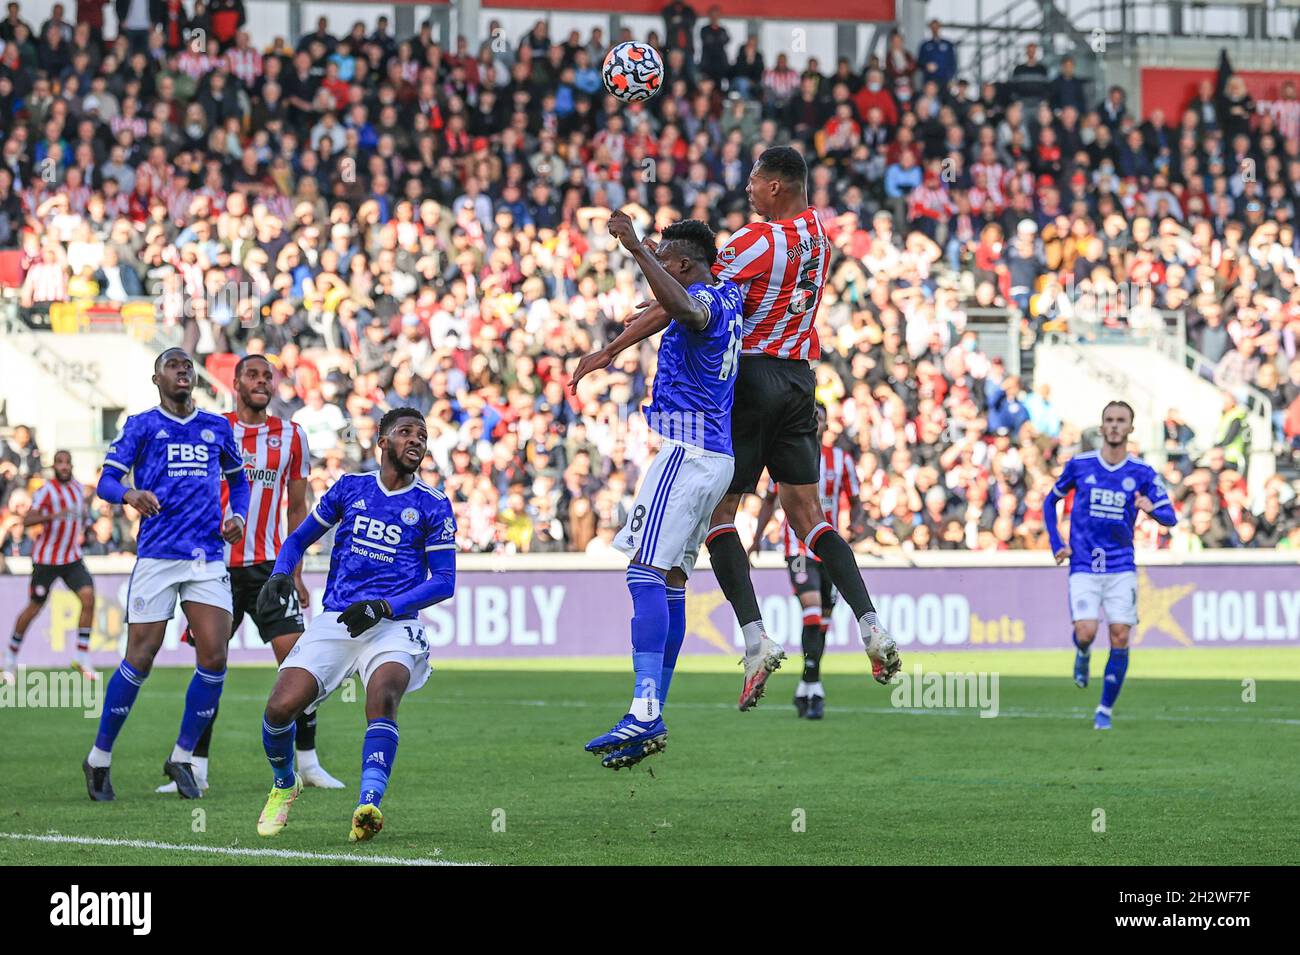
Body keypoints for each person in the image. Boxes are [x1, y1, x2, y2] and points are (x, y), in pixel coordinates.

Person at [573, 146, 901, 713]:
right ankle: (871, 626)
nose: (748, 189)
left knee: (722, 515)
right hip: (800, 381)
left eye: (754, 180)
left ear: (776, 185)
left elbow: (691, 298)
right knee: (809, 519)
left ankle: (754, 637)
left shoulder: (757, 239)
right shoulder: (820, 237)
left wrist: (614, 344)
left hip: (749, 379)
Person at [581, 211, 743, 771]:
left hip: (685, 451)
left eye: (663, 259)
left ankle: (645, 710)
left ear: (680, 264)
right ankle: (653, 712)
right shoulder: (726, 296)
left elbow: (676, 306)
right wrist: (611, 350)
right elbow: (664, 307)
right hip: (716, 459)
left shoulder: (696, 301)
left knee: (641, 573)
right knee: (672, 579)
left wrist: (633, 248)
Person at [252, 407, 456, 842]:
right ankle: (285, 785)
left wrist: (384, 607)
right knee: (278, 708)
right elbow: (298, 538)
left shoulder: (433, 504)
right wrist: (280, 573)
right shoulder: (351, 488)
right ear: (382, 441)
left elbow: (444, 581)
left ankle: (369, 804)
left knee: (382, 696)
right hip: (338, 619)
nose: (415, 440)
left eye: (422, 434)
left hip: (393, 625)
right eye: (405, 432)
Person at [159, 355, 344, 794]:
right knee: (210, 667)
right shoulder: (212, 428)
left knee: (299, 662)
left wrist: (295, 571)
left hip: (269, 567)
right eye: (254, 375)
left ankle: (309, 763)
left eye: (268, 377)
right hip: (215, 569)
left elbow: (297, 508)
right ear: (236, 382)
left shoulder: (291, 435)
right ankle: (195, 768)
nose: (262, 382)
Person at [84, 348, 250, 801]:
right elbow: (106, 481)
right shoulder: (140, 425)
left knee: (214, 657)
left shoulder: (217, 427)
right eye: (173, 366)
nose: (183, 370)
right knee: (141, 656)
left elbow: (239, 480)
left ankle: (181, 755)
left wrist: (238, 515)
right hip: (157, 556)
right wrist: (130, 493)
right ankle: (99, 758)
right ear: (156, 379)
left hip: (206, 558)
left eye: (187, 366)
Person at [1043, 401, 1177, 730]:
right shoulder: (1080, 465)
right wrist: (1057, 543)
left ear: (1130, 429)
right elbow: (1051, 500)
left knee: (1120, 635)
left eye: (1121, 421)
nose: (1115, 426)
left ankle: (1104, 709)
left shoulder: (1142, 473)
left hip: (1121, 567)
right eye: (1109, 420)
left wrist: (1151, 508)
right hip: (1085, 564)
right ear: (1102, 427)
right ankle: (1083, 653)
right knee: (1086, 632)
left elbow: (1170, 517)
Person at [749, 404, 862, 719]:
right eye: (810, 417)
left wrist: (858, 524)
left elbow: (855, 501)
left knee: (824, 621)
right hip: (797, 546)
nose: (814, 423)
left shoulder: (841, 460)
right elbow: (769, 500)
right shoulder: (784, 455)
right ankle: (813, 686)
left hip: (830, 549)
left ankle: (808, 686)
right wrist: (757, 538)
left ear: (827, 425)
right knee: (812, 613)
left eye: (819, 418)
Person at [3, 450, 96, 684]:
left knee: (88, 597)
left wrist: (85, 529)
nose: (64, 466)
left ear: (71, 465)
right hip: (46, 559)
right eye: (60, 463)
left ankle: (81, 656)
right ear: (54, 466)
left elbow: (82, 517)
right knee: (34, 608)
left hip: (71, 557)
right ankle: (11, 659)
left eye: (67, 462)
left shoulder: (78, 490)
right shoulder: (46, 491)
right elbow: (27, 521)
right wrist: (53, 515)